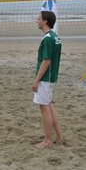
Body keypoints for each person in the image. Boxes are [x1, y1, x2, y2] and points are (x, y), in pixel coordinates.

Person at [32, 11, 64, 149]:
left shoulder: (47, 39)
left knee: (44, 107)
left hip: (46, 78)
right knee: (48, 105)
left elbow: (46, 61)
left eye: (39, 18)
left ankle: (47, 141)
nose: (37, 20)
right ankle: (59, 137)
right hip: (51, 77)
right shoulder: (55, 36)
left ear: (45, 21)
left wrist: (36, 80)